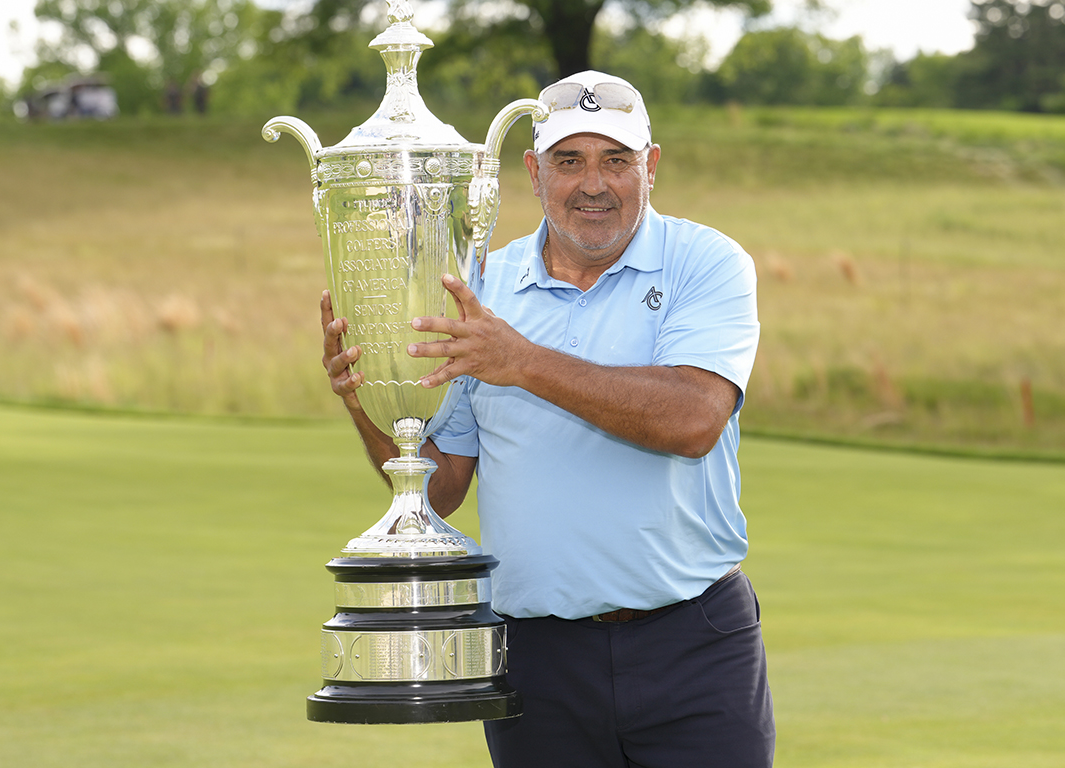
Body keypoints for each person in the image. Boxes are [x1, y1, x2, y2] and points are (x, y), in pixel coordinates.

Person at [321, 70, 773, 767]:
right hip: (537, 659)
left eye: (615, 160)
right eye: (569, 161)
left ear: (650, 167)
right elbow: (440, 490)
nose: (594, 184)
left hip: (693, 645)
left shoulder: (704, 263)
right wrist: (365, 398)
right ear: (533, 173)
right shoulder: (479, 287)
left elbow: (694, 419)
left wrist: (522, 360)